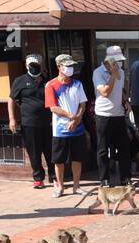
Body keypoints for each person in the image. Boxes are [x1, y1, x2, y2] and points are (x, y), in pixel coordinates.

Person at [44, 53, 88, 198]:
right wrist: (71, 116)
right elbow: (52, 107)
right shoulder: (51, 85)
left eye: (71, 66)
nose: (70, 69)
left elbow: (83, 103)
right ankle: (60, 187)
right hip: (60, 130)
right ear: (59, 67)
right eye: (67, 66)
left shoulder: (77, 84)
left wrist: (77, 119)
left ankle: (77, 186)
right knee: (59, 160)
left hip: (77, 128)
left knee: (77, 158)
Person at [8, 53, 51, 189]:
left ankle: (54, 176)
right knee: (34, 152)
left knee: (50, 150)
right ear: (27, 66)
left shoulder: (47, 81)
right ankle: (38, 178)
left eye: (37, 66)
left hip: (48, 122)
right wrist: (12, 119)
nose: (34, 68)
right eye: (32, 66)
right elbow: (11, 100)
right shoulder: (19, 81)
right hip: (29, 122)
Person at [93, 45, 132, 185]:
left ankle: (125, 177)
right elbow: (104, 92)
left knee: (124, 147)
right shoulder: (98, 73)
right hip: (103, 115)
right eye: (115, 61)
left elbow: (121, 89)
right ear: (108, 61)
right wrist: (113, 77)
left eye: (119, 61)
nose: (118, 64)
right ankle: (104, 179)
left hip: (119, 114)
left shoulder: (120, 71)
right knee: (103, 149)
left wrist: (125, 101)